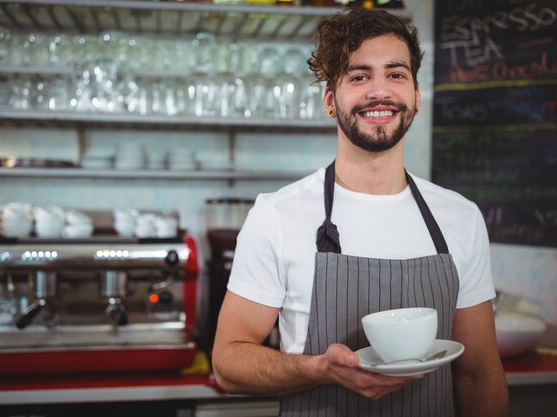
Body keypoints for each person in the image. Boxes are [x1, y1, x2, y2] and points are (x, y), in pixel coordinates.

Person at [212, 6, 508, 417]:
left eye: (396, 74)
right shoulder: (277, 215)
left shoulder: (460, 217)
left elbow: (478, 374)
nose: (379, 91)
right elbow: (228, 365)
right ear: (331, 100)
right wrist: (321, 369)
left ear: (416, 97)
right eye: (359, 75)